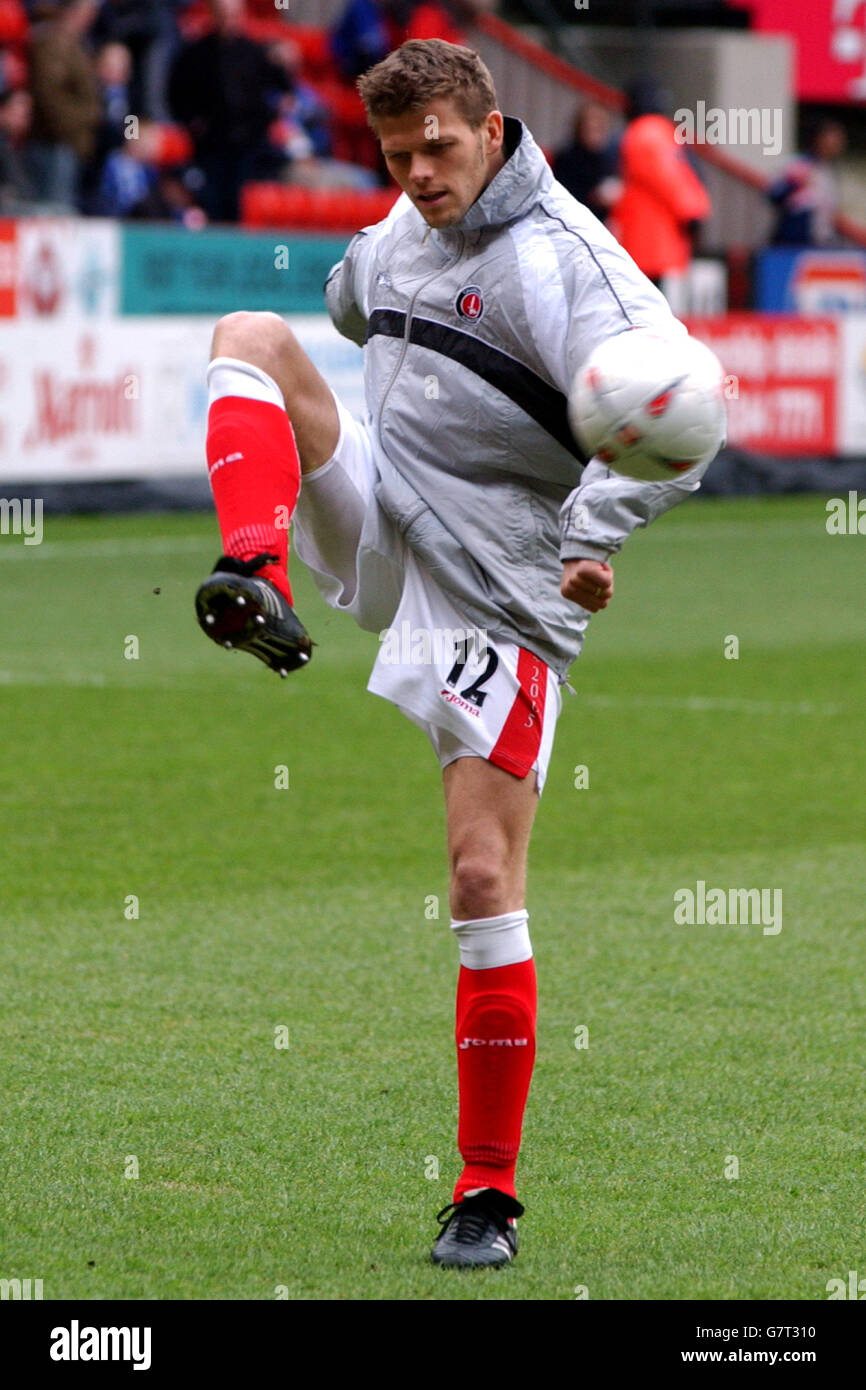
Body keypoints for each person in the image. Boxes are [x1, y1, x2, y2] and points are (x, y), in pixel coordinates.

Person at [192, 40, 717, 1267]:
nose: (419, 172)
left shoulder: (573, 263)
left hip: (501, 587)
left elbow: (687, 417)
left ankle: (485, 1194)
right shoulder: (402, 219)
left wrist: (593, 535)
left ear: (492, 128)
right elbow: (347, 299)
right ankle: (253, 574)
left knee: (481, 877)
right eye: (395, 154)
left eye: (437, 146)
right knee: (250, 332)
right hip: (386, 514)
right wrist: (356, 289)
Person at [168, 0, 288, 222]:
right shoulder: (195, 54)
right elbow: (176, 95)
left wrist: (267, 119)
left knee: (239, 205)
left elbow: (283, 90)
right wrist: (193, 123)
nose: (228, 21)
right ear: (213, 15)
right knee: (211, 202)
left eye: (233, 15)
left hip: (248, 147)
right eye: (223, 14)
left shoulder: (255, 53)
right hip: (210, 146)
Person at [610, 75, 710, 288]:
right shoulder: (651, 131)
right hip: (652, 232)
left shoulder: (643, 130)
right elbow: (668, 176)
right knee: (648, 297)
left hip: (646, 229)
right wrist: (693, 211)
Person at [27, 0, 102, 209]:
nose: (92, 17)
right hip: (55, 142)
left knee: (66, 207)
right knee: (54, 210)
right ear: (73, 11)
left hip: (74, 143)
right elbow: (49, 95)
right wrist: (81, 122)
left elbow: (128, 120)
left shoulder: (77, 43)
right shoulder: (53, 42)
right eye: (88, 11)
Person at [768, 119, 846, 247]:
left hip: (821, 241)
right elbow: (774, 195)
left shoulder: (829, 169)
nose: (838, 142)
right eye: (833, 137)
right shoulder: (800, 164)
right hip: (793, 243)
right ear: (818, 139)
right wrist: (794, 184)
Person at [553, 100, 621, 223]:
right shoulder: (566, 159)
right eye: (589, 129)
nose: (594, 135)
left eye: (598, 129)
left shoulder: (610, 159)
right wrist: (594, 197)